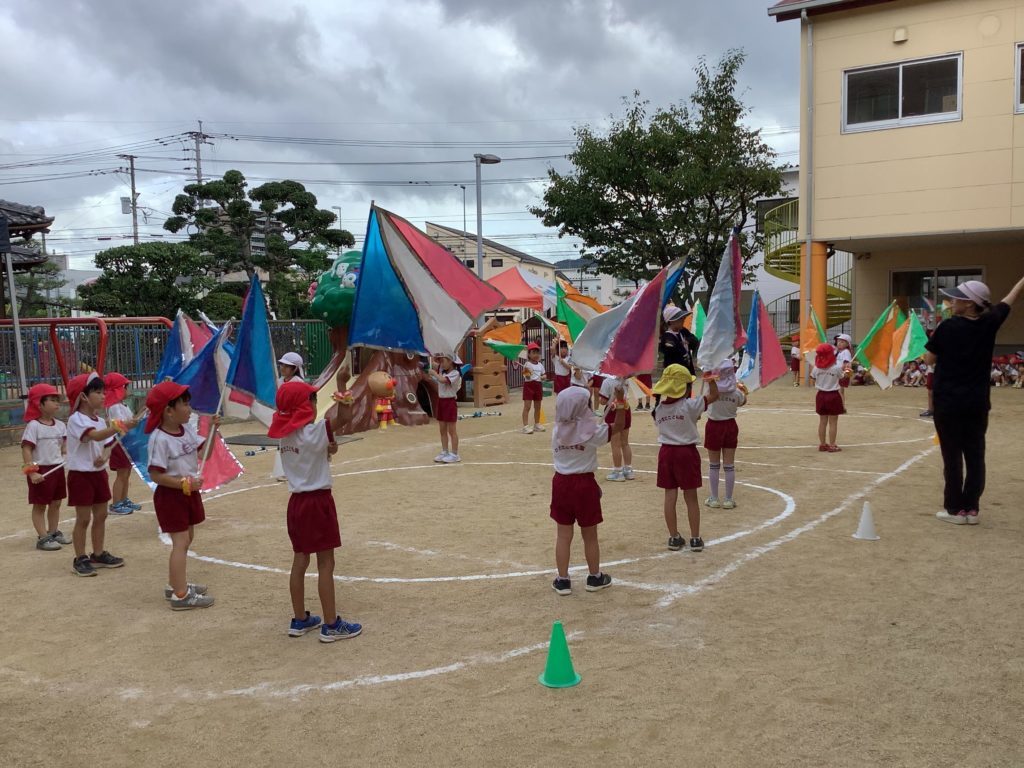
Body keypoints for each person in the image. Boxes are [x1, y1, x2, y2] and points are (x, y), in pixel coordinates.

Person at [926, 277, 1024, 525]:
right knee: (975, 455)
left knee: (952, 456)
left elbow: (929, 359)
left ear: (969, 303)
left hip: (949, 402)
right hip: (977, 402)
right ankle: (971, 508)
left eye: (957, 298)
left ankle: (954, 509)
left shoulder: (948, 327)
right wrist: (1021, 282)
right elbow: (1008, 301)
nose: (952, 301)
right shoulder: (989, 322)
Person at [271, 379, 363, 641]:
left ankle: (300, 619)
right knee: (326, 562)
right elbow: (344, 417)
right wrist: (342, 384)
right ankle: (331, 625)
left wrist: (327, 449)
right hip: (318, 502)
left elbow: (317, 451)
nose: (314, 404)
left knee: (300, 560)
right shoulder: (314, 432)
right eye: (312, 400)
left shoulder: (286, 437)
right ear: (303, 406)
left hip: (296, 504)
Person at [549, 385, 626, 596]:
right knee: (590, 535)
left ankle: (562, 580)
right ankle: (594, 576)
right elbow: (619, 425)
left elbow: (578, 426)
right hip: (585, 485)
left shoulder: (557, 431)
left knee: (563, 534)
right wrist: (620, 402)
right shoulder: (593, 432)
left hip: (561, 484)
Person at [145, 382, 216, 610]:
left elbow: (205, 453)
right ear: (169, 411)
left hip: (188, 493)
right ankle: (180, 595)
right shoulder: (159, 439)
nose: (189, 408)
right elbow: (155, 475)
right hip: (171, 496)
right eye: (184, 404)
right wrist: (183, 483)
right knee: (181, 541)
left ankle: (175, 583)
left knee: (187, 539)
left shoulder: (187, 431)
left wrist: (213, 431)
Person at [65, 373, 134, 577]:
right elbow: (94, 436)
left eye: (103, 392)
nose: (103, 396)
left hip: (98, 474)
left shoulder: (101, 421)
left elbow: (107, 445)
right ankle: (80, 558)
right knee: (83, 518)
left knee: (101, 515)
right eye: (97, 392)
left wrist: (104, 456)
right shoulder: (76, 419)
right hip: (81, 476)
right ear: (83, 396)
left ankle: (98, 553)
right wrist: (119, 426)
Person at [653, 365, 718, 552]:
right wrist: (710, 379)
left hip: (666, 453)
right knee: (691, 497)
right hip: (686, 453)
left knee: (669, 495)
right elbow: (714, 395)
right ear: (685, 387)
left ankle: (674, 537)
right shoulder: (690, 405)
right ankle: (695, 538)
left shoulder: (658, 409)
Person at [21, 384, 70, 551]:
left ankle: (53, 532)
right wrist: (31, 473)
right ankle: (43, 538)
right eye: (52, 400)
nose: (57, 403)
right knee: (40, 505)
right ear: (39, 404)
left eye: (58, 400)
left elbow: (64, 446)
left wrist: (66, 454)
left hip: (57, 469)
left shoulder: (61, 425)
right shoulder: (33, 426)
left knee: (56, 503)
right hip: (40, 470)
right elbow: (26, 449)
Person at [704, 360, 747, 510]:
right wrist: (742, 389)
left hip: (713, 426)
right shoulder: (736, 392)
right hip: (730, 426)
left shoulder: (711, 391)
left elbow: (704, 402)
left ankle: (714, 498)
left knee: (714, 464)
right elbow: (743, 401)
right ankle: (728, 499)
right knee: (729, 465)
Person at [104, 372, 140, 516]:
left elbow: (129, 421)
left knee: (127, 472)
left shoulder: (122, 405)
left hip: (126, 442)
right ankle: (116, 503)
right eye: (125, 387)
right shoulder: (114, 407)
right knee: (122, 473)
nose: (128, 390)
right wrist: (131, 423)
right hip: (118, 443)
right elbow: (118, 425)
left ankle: (124, 499)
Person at [273, 353, 306, 481]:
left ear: (295, 369)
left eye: (287, 366)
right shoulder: (280, 381)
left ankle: (299, 469)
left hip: (296, 419)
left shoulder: (299, 383)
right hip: (283, 418)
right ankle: (283, 471)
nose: (282, 368)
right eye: (282, 365)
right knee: (284, 445)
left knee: (297, 444)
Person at [811, 343, 848, 452]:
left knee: (822, 421)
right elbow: (842, 377)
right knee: (833, 422)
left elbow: (813, 378)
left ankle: (822, 444)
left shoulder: (816, 367)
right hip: (833, 395)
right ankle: (832, 445)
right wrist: (847, 373)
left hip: (820, 395)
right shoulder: (836, 368)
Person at [428, 353, 462, 464]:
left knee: (451, 430)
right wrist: (431, 354)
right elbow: (434, 364)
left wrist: (434, 373)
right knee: (442, 429)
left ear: (451, 361)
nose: (441, 364)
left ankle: (455, 454)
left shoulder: (455, 373)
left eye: (443, 361)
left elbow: (443, 380)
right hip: (441, 402)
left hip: (450, 402)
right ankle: (445, 451)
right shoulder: (442, 370)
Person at [599, 374, 633, 481]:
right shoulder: (625, 379)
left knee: (615, 444)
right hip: (625, 408)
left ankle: (618, 471)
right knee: (625, 442)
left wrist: (602, 398)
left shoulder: (607, 381)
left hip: (613, 410)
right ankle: (628, 470)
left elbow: (603, 401)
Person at [659, 305, 699, 374]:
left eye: (683, 318)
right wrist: (682, 343)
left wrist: (688, 341)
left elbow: (695, 341)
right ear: (671, 321)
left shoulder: (683, 331)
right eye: (680, 318)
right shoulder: (667, 337)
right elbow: (674, 351)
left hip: (688, 371)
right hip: (675, 374)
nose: (683, 320)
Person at [520, 342, 546, 434]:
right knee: (527, 406)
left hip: (538, 386)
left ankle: (537, 424)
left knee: (538, 407)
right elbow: (527, 377)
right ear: (529, 354)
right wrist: (528, 373)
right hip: (529, 386)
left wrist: (543, 377)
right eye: (533, 353)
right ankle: (525, 426)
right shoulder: (527, 365)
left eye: (537, 353)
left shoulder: (540, 365)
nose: (536, 355)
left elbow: (544, 375)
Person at [834, 334, 853, 407]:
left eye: (842, 342)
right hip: (838, 373)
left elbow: (846, 363)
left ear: (847, 344)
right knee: (837, 390)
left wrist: (843, 371)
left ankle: (842, 406)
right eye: (838, 341)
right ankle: (839, 405)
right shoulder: (839, 352)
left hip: (842, 374)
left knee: (840, 391)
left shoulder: (846, 352)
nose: (839, 343)